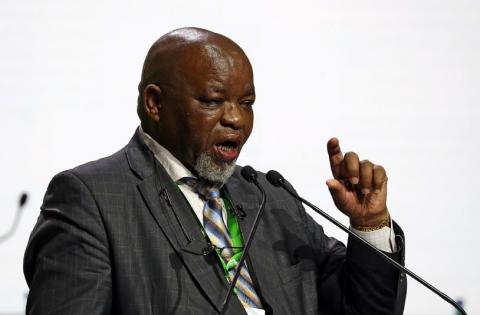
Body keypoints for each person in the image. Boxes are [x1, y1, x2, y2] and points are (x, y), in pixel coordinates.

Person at [24, 27, 406, 314]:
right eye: (213, 100)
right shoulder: (91, 200)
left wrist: (370, 225)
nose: (236, 119)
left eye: (247, 102)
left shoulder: (269, 198)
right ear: (155, 103)